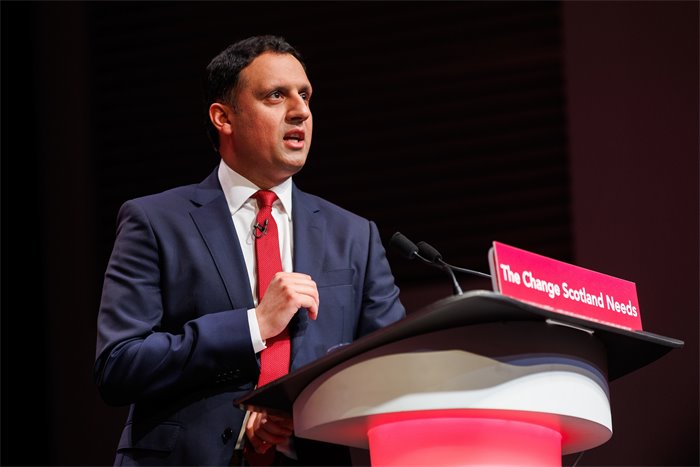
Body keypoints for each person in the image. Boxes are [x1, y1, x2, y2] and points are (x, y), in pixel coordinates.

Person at [94, 35, 406, 466]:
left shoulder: (354, 234)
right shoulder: (155, 221)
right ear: (224, 117)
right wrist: (253, 325)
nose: (300, 110)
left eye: (305, 95)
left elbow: (390, 374)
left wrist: (300, 412)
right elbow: (119, 367)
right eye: (275, 95)